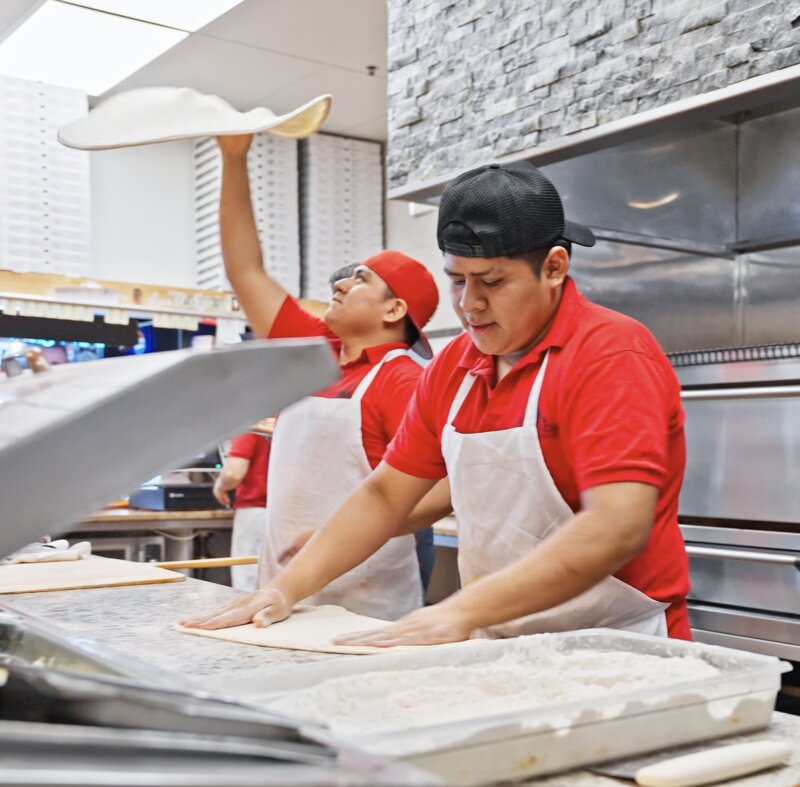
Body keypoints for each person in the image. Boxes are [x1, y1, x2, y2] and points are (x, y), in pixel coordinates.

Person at [183, 160, 690, 644]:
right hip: (501, 637)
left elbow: (616, 526)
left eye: (492, 281)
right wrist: (284, 589)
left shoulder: (610, 354)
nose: (470, 304)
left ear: (554, 267)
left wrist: (457, 611)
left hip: (618, 643)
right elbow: (385, 495)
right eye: (457, 279)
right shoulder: (455, 368)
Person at [190, 133, 447, 621]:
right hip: (281, 589)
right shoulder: (315, 353)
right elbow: (245, 271)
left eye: (362, 279)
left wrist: (348, 533)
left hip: (364, 599)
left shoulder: (405, 381)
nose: (341, 283)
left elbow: (441, 490)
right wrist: (234, 157)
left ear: (394, 310)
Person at [213, 424, 272, 592]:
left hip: (255, 512)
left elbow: (233, 473)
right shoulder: (286, 419)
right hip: (289, 511)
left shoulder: (251, 425)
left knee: (248, 580)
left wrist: (220, 486)